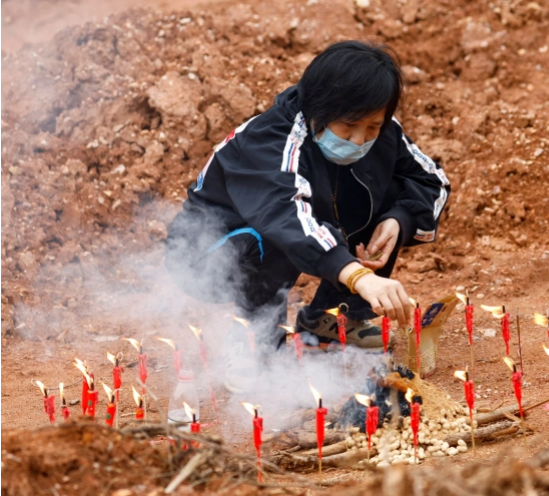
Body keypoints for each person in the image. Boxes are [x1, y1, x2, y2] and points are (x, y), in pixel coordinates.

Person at [165, 40, 451, 393]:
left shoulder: (384, 131)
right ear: (320, 107)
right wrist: (360, 275)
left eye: (372, 128)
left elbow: (431, 180)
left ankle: (334, 320)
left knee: (389, 195)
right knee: (272, 233)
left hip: (292, 229)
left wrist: (398, 220)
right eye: (348, 127)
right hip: (208, 255)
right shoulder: (269, 140)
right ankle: (251, 337)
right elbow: (285, 216)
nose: (360, 140)